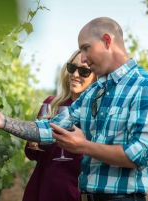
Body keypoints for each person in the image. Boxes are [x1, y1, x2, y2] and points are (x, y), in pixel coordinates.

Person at [0, 17, 148, 201]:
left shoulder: (146, 87)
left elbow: (140, 154)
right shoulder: (95, 91)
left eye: (86, 48)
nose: (83, 57)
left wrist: (84, 146)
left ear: (107, 41)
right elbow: (52, 128)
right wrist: (5, 122)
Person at [22, 50, 97, 201]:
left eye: (83, 71)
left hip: (71, 194)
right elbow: (32, 155)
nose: (75, 74)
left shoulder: (96, 113)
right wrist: (32, 143)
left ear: (96, 77)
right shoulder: (51, 103)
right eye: (72, 68)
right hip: (39, 190)